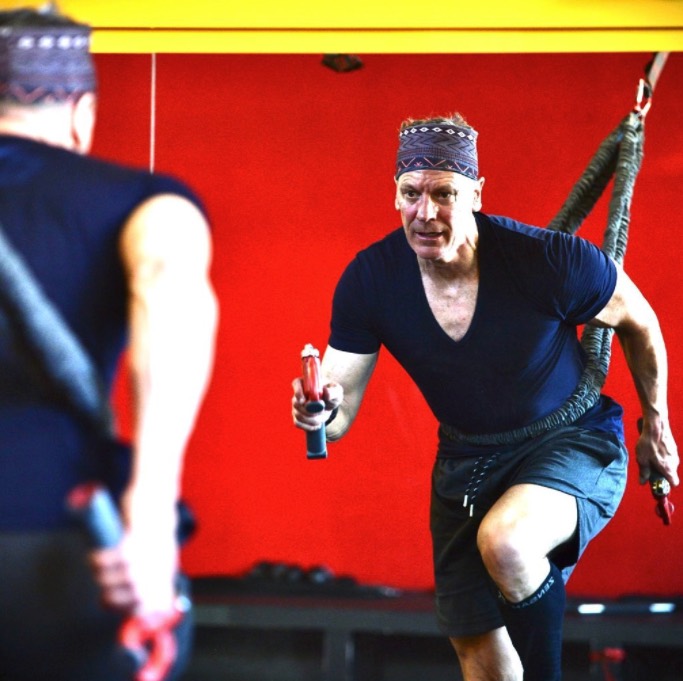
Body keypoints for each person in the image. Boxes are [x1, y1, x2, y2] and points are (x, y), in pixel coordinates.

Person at [291, 113, 679, 681]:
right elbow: (338, 408)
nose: (425, 213)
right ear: (396, 194)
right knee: (481, 658)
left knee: (507, 542)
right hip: (467, 462)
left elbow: (640, 321)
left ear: (476, 193)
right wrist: (316, 411)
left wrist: (658, 425)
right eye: (411, 194)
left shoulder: (548, 262)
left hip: (571, 440)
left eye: (445, 194)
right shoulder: (371, 280)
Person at [0, 7, 218, 681]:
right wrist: (149, 512)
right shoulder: (148, 203)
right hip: (54, 544)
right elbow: (170, 290)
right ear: (82, 112)